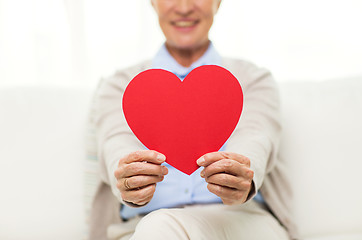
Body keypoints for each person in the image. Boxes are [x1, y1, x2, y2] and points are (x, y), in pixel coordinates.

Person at [89, 0, 296, 239]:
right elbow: (115, 145)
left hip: (241, 223)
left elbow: (257, 138)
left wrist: (242, 174)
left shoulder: (253, 79)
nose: (184, 7)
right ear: (152, 3)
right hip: (142, 226)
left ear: (218, 2)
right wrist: (127, 177)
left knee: (159, 227)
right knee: (159, 226)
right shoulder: (119, 85)